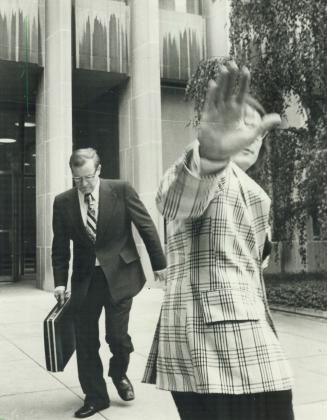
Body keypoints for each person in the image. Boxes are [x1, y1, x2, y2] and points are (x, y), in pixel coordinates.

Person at [142, 62, 295, 420]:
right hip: (212, 345)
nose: (250, 135)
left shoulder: (255, 192)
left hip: (244, 339)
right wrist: (210, 154)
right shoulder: (208, 170)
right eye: (239, 121)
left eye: (257, 129)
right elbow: (173, 199)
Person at [52, 148, 166, 418]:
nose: (83, 184)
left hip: (121, 274)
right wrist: (59, 282)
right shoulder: (63, 202)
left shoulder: (121, 189)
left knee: (117, 336)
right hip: (85, 280)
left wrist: (159, 263)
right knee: (86, 339)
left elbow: (146, 225)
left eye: (88, 177)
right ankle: (95, 396)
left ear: (99, 170)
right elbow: (59, 246)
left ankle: (118, 372)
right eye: (77, 179)